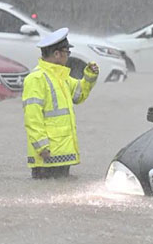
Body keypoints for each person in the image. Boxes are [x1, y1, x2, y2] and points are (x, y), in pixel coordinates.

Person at [22, 28, 99, 179]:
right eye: (67, 52)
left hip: (61, 153)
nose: (68, 56)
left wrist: (89, 76)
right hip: (47, 156)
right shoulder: (36, 78)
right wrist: (41, 146)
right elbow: (32, 116)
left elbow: (79, 95)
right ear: (57, 54)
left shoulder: (61, 76)